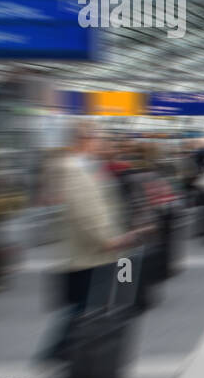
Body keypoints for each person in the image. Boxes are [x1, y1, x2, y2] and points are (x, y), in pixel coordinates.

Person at [38, 122, 137, 361]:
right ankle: (61, 351)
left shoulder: (83, 167)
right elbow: (86, 211)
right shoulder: (75, 170)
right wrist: (109, 239)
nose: (102, 143)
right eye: (99, 137)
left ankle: (61, 350)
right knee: (81, 305)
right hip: (87, 251)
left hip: (84, 249)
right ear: (85, 139)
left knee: (80, 305)